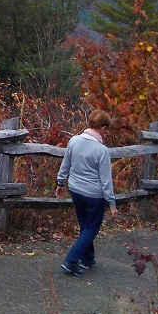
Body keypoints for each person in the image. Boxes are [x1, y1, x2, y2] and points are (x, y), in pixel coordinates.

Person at [55, 109, 118, 277]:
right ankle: (71, 260)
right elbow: (106, 180)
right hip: (94, 194)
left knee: (85, 225)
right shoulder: (101, 150)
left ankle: (88, 258)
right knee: (91, 228)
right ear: (103, 128)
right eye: (107, 129)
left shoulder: (74, 141)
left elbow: (65, 165)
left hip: (75, 189)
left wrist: (60, 183)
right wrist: (112, 203)